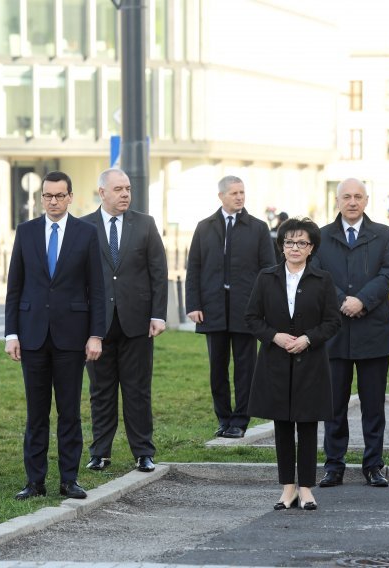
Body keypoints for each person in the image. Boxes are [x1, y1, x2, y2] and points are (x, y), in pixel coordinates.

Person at [4, 170, 105, 501]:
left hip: (71, 338)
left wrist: (95, 335)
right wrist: (11, 333)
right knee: (36, 414)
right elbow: (15, 287)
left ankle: (69, 479)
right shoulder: (26, 232)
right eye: (47, 196)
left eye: (59, 196)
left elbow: (97, 289)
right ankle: (34, 482)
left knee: (69, 412)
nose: (53, 201)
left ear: (70, 197)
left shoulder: (86, 233)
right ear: (41, 197)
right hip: (32, 336)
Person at [246, 217, 341, 511]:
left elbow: (332, 322)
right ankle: (288, 488)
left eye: (301, 243)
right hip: (275, 362)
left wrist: (309, 338)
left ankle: (307, 488)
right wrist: (274, 336)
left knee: (308, 425)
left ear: (311, 248)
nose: (295, 247)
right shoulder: (266, 277)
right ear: (281, 245)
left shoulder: (322, 279)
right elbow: (252, 318)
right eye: (289, 242)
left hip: (310, 362)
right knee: (283, 426)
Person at [311, 178, 389, 488]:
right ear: (337, 201)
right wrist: (342, 302)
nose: (352, 202)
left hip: (374, 331)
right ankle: (334, 465)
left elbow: (388, 275)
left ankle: (374, 464)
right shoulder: (320, 237)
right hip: (334, 333)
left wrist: (362, 300)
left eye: (358, 196)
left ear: (366, 200)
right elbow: (317, 275)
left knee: (373, 406)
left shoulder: (383, 235)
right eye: (346, 196)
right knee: (333, 405)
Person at [82, 168, 168, 473]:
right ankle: (100, 453)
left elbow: (158, 271)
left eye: (128, 189)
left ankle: (143, 452)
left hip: (138, 322)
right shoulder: (83, 227)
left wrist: (158, 314)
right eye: (118, 189)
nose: (125, 195)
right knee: (100, 392)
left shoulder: (145, 224)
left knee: (137, 390)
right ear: (102, 192)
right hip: (98, 327)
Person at [185, 175, 276, 438]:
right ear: (221, 196)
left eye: (242, 192)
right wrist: (194, 304)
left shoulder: (258, 228)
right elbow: (195, 268)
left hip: (245, 310)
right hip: (212, 309)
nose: (239, 197)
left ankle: (240, 420)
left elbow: (268, 271)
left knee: (245, 369)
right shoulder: (204, 227)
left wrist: (265, 307)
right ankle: (223, 418)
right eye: (234, 193)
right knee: (217, 368)